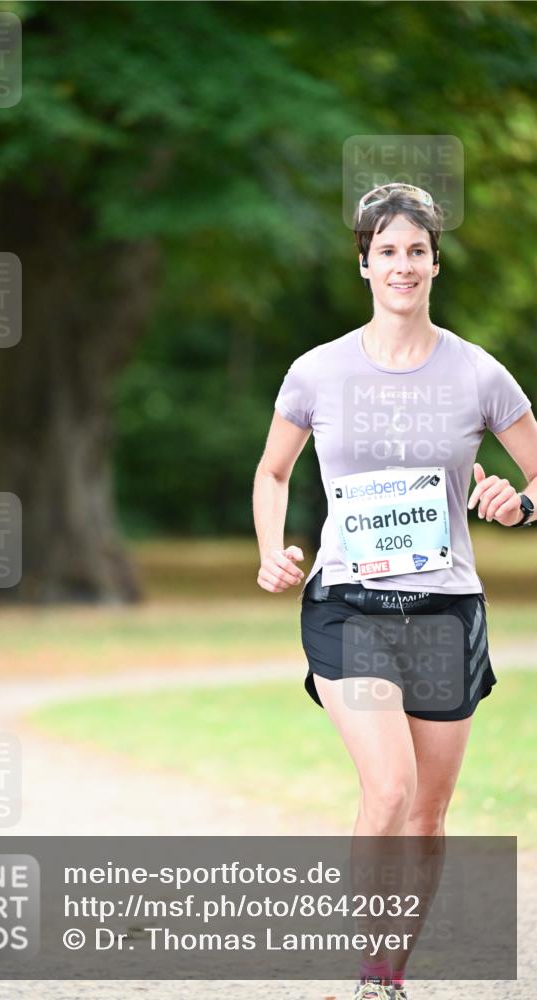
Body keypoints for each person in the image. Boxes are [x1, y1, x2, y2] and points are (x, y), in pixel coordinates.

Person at [253, 183, 537, 1000]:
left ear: (434, 263)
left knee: (426, 815)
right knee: (388, 788)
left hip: (446, 608)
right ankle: (370, 971)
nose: (402, 265)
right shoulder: (318, 370)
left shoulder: (478, 373)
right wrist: (273, 551)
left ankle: (389, 972)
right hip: (348, 602)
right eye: (387, 251)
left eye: (416, 251)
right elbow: (272, 472)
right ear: (363, 262)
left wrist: (516, 504)